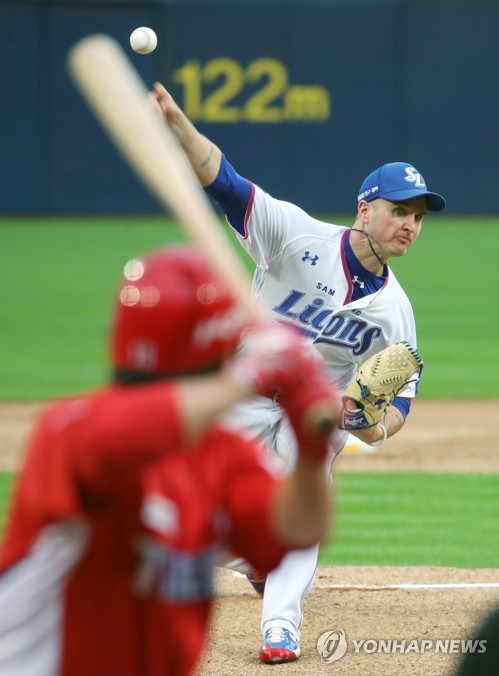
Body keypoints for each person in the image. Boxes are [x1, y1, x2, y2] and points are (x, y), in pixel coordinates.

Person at [151, 82, 447, 664]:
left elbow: (396, 413)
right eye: (398, 211)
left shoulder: (397, 315)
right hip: (249, 386)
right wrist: (177, 122)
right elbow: (225, 182)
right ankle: (252, 559)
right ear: (366, 208)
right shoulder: (294, 234)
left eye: (417, 216)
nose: (409, 224)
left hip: (316, 408)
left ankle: (280, 627)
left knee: (306, 491)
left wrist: (364, 421)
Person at [0, 245, 340, 676]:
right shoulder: (71, 430)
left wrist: (312, 450)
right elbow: (125, 433)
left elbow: (297, 532)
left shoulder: (223, 452)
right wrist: (252, 376)